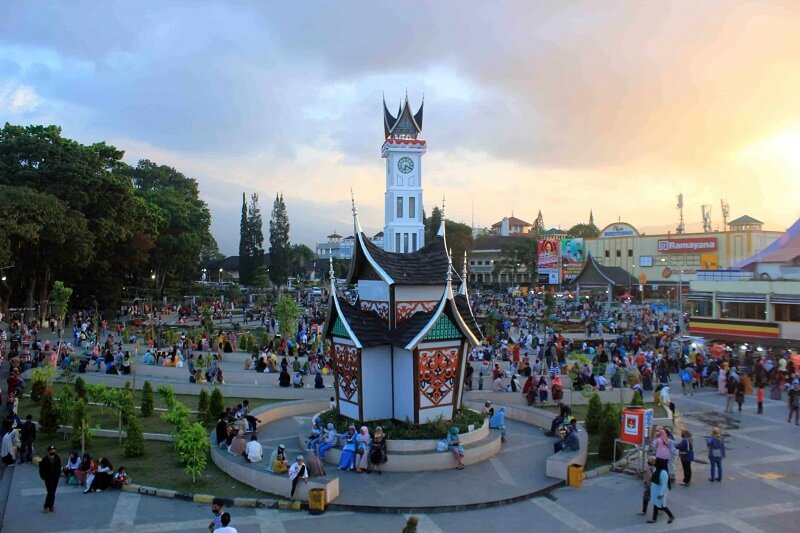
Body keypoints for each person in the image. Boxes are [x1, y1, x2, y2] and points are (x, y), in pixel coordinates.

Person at [39, 445, 62, 513]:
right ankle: (46, 506)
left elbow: (59, 467)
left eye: (54, 450)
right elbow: (41, 469)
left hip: (55, 478)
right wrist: (43, 476)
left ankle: (51, 506)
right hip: (48, 479)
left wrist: (58, 475)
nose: (53, 451)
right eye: (51, 450)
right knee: (50, 492)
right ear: (49, 451)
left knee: (53, 492)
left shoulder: (57, 458)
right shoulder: (45, 459)